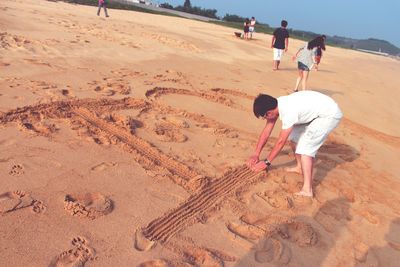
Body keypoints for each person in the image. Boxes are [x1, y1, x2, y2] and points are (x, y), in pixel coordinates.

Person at [247, 91, 343, 197]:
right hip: (317, 111)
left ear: (269, 113)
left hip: (329, 115)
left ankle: (307, 190)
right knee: (294, 137)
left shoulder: (288, 111)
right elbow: (266, 131)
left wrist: (266, 162)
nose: (266, 119)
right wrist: (256, 154)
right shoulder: (277, 105)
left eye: (264, 116)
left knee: (306, 148)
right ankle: (300, 167)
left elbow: (281, 141)